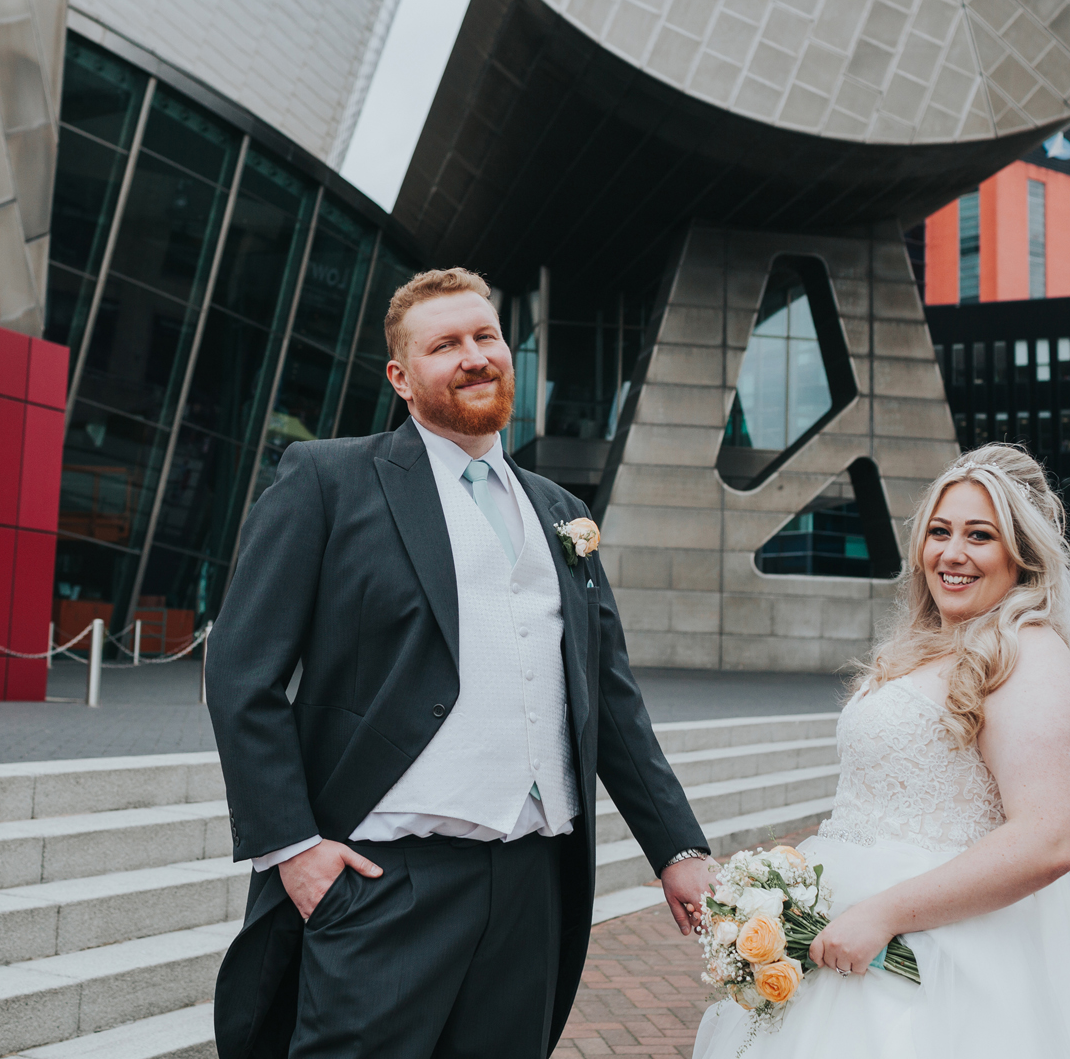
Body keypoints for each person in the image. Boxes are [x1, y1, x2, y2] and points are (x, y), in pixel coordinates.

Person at [204, 268, 712, 1059]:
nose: (474, 357)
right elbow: (242, 673)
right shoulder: (327, 480)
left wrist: (677, 849)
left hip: (534, 881)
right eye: (445, 345)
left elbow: (608, 698)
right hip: (385, 879)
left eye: (486, 337)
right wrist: (295, 852)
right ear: (402, 379)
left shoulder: (561, 513)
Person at [692, 444, 1070, 1059]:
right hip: (846, 931)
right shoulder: (926, 646)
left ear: (1020, 554)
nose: (952, 553)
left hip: (945, 957)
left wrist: (882, 915)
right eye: (939, 532)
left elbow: (1049, 840)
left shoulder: (1029, 653)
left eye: (980, 535)